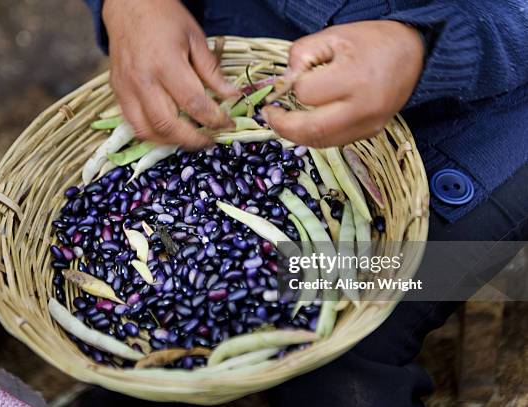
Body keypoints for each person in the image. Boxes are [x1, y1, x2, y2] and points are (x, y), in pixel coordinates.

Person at [83, 1, 528, 405]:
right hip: (257, 41)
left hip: (485, 124)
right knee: (147, 350)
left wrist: (425, 44)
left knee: (345, 364)